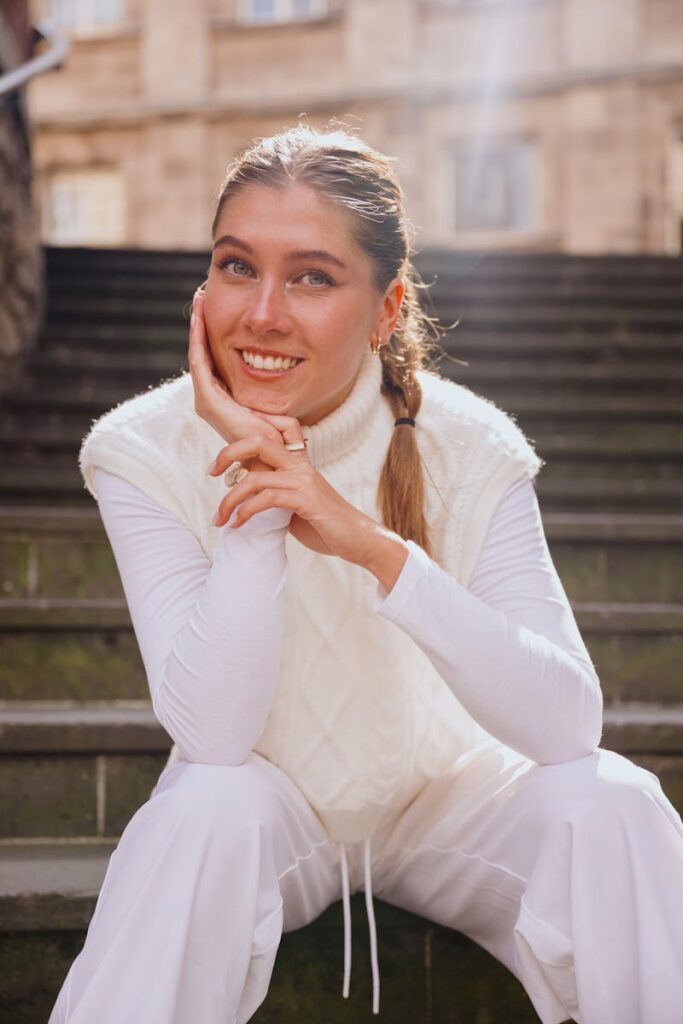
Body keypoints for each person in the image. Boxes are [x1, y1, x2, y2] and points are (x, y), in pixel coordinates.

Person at [49, 122, 683, 1024]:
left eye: (311, 276)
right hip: (274, 816)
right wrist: (260, 495)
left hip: (449, 801)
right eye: (237, 266)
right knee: (200, 811)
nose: (262, 312)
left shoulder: (469, 444)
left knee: (614, 802)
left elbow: (566, 722)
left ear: (386, 311)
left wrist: (370, 546)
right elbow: (215, 735)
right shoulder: (140, 451)